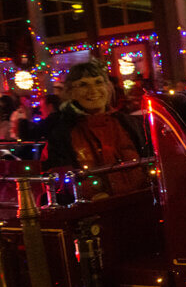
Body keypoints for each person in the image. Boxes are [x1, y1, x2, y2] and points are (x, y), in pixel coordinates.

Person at [42, 61, 149, 200]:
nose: (93, 90)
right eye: (83, 84)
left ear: (108, 87)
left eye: (98, 82)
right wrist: (91, 195)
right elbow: (59, 179)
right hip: (94, 213)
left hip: (141, 203)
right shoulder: (61, 132)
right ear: (71, 92)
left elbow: (151, 162)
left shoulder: (130, 123)